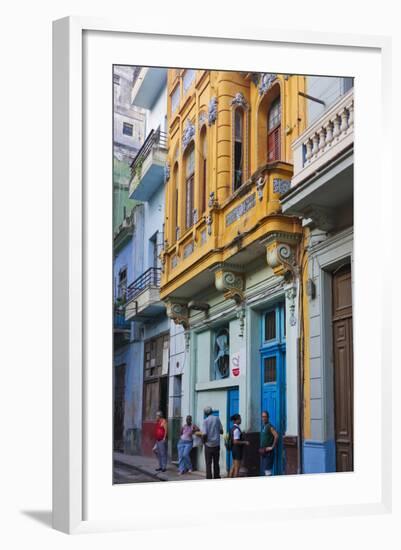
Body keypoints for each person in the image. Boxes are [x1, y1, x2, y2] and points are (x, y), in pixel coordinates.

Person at [200, 406, 223, 479]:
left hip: (208, 446)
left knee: (208, 464)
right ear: (212, 411)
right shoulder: (217, 419)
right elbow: (221, 431)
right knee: (216, 463)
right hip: (216, 445)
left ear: (206, 413)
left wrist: (203, 442)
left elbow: (204, 434)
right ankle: (217, 477)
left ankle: (209, 478)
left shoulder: (205, 421)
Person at [228, 413, 250, 478]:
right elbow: (235, 441)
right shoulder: (236, 430)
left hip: (234, 450)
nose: (241, 420)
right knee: (237, 469)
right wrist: (245, 442)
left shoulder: (232, 428)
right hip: (237, 450)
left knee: (233, 466)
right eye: (239, 419)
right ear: (236, 420)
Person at [259, 410, 278, 476]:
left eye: (265, 417)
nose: (263, 418)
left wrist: (272, 447)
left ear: (268, 417)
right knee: (264, 470)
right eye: (262, 417)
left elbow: (276, 436)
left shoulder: (270, 426)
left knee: (268, 471)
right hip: (263, 452)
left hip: (268, 453)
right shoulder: (263, 427)